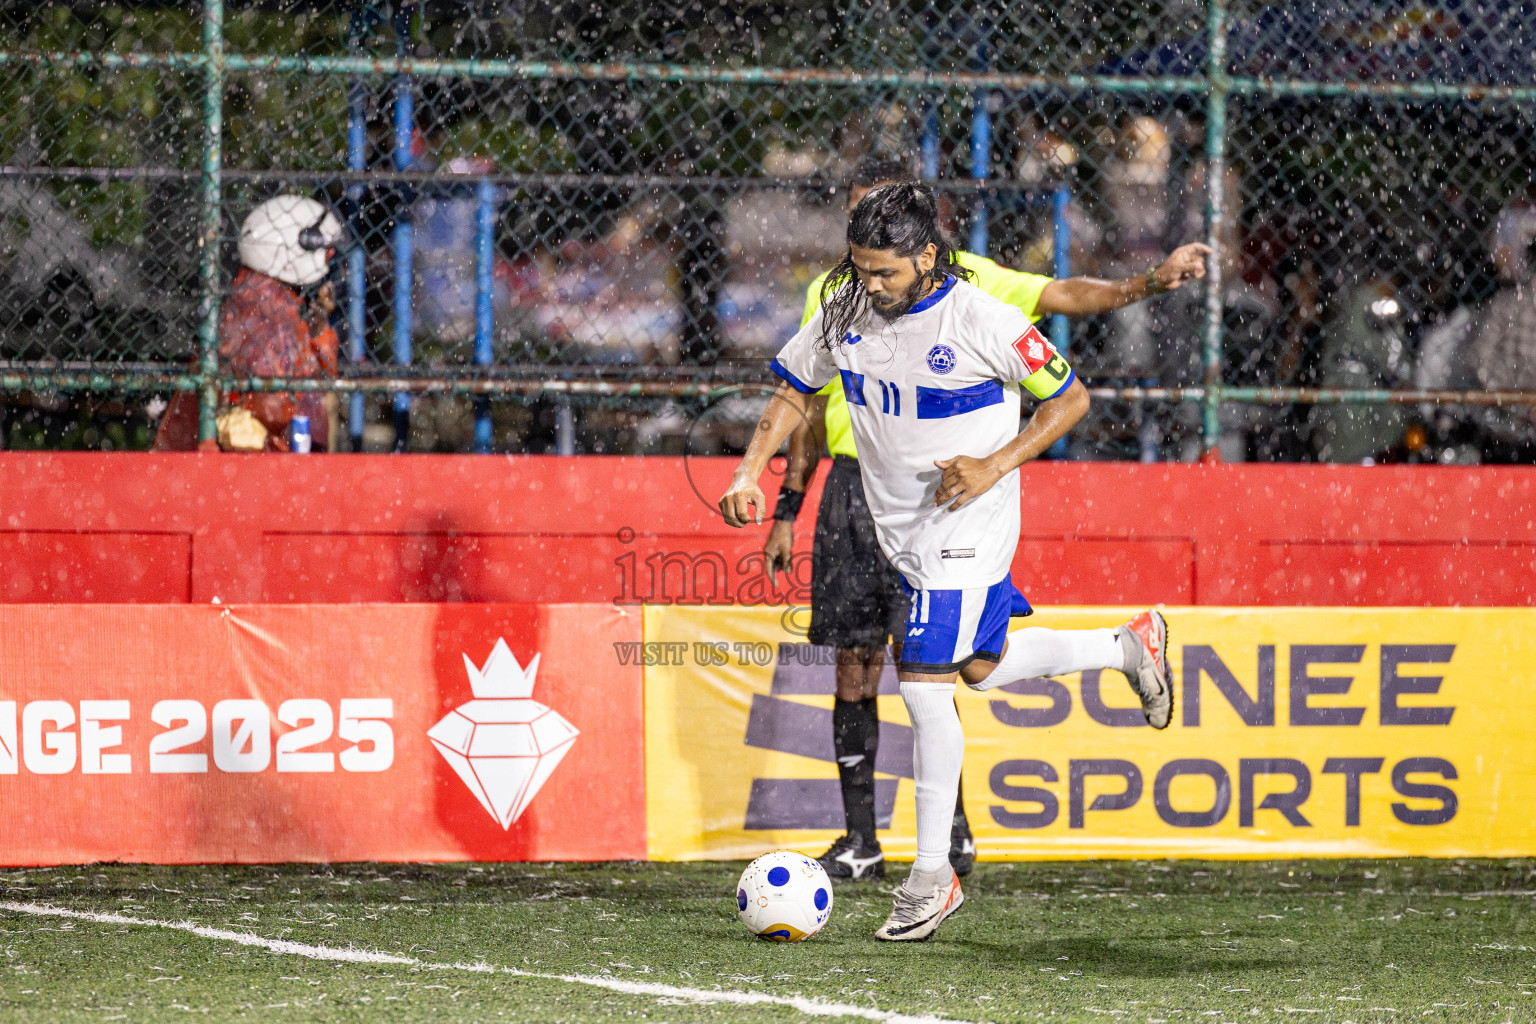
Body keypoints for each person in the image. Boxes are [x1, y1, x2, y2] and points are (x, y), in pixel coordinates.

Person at [722, 183, 1184, 941]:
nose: (871, 285)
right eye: (860, 268)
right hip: (897, 529)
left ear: (927, 256)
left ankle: (932, 878)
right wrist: (748, 472)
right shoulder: (843, 309)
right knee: (979, 668)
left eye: (885, 272)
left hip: (969, 520)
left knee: (923, 683)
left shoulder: (983, 319)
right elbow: (794, 391)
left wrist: (994, 465)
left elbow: (1071, 399)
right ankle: (1127, 646)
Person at [152, 195, 342, 452]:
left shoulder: (269, 300)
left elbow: (318, 380)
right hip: (230, 460)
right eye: (326, 254)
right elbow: (276, 409)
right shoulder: (263, 310)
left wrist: (319, 327)